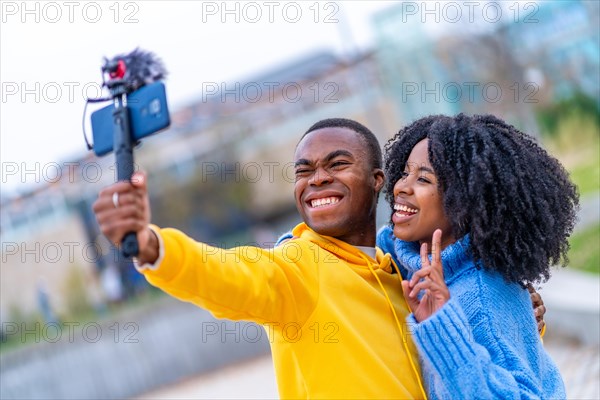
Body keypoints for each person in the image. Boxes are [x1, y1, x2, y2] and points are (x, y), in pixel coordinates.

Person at [93, 118, 428, 399]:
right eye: (304, 170)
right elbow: (222, 272)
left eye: (337, 164)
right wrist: (152, 246)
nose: (318, 178)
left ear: (377, 180)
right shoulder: (299, 266)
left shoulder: (400, 273)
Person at [377, 113, 578, 399]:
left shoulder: (479, 297)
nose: (400, 186)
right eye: (404, 172)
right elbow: (371, 246)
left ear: (464, 201)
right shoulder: (422, 263)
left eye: (423, 179)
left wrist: (443, 328)